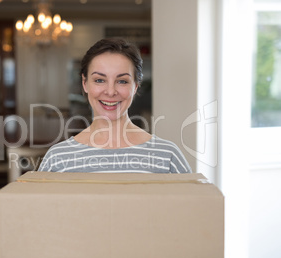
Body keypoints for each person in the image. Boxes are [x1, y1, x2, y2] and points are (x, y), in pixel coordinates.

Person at [38, 38, 191, 173]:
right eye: (99, 80)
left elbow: (194, 205)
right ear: (85, 83)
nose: (110, 92)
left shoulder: (167, 156)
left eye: (122, 81)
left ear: (136, 86)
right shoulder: (57, 158)